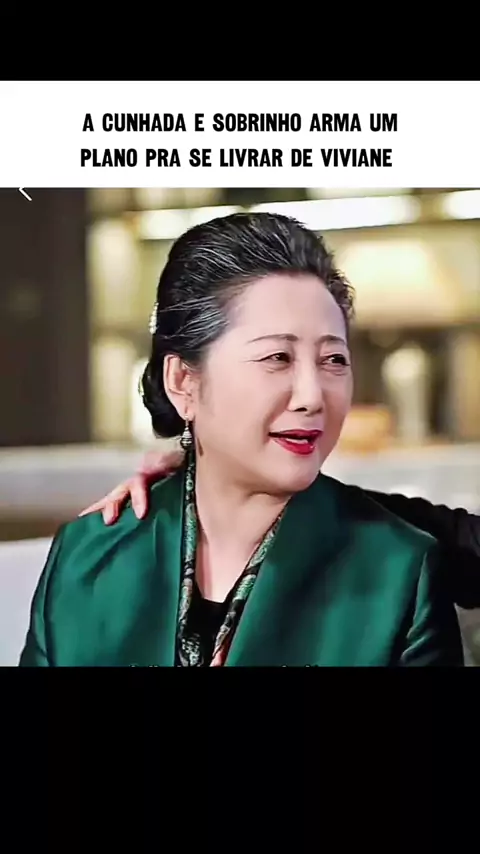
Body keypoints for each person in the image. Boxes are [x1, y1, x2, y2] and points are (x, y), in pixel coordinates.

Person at [20, 212, 464, 666]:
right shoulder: (87, 556)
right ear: (183, 382)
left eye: (334, 359)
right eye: (277, 357)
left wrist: (357, 513)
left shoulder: (401, 571)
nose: (312, 396)